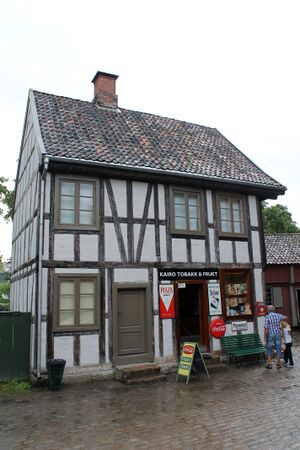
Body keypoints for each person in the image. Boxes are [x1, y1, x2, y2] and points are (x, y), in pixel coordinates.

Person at [264, 305, 286, 369]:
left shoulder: (267, 317)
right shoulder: (278, 315)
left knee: (269, 349)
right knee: (278, 348)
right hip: (277, 334)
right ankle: (278, 364)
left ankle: (270, 364)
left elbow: (266, 328)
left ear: (268, 310)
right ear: (274, 310)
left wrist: (265, 337)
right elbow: (285, 318)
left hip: (270, 334)